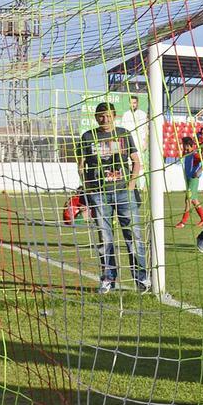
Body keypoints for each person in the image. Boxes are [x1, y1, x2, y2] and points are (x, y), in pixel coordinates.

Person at [77, 102, 150, 295]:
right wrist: (88, 188)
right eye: (101, 115)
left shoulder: (124, 133)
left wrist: (131, 185)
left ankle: (142, 279)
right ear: (95, 117)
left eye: (108, 115)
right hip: (99, 194)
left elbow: (136, 162)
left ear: (114, 116)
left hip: (124, 192)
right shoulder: (87, 137)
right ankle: (108, 279)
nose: (105, 119)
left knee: (133, 236)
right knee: (104, 237)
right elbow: (81, 166)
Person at [173, 135, 203, 230]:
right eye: (184, 146)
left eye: (185, 146)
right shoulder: (188, 153)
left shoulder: (195, 154)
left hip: (193, 179)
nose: (184, 148)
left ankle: (183, 222)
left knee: (188, 200)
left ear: (190, 145)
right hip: (189, 178)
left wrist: (199, 171)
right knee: (194, 200)